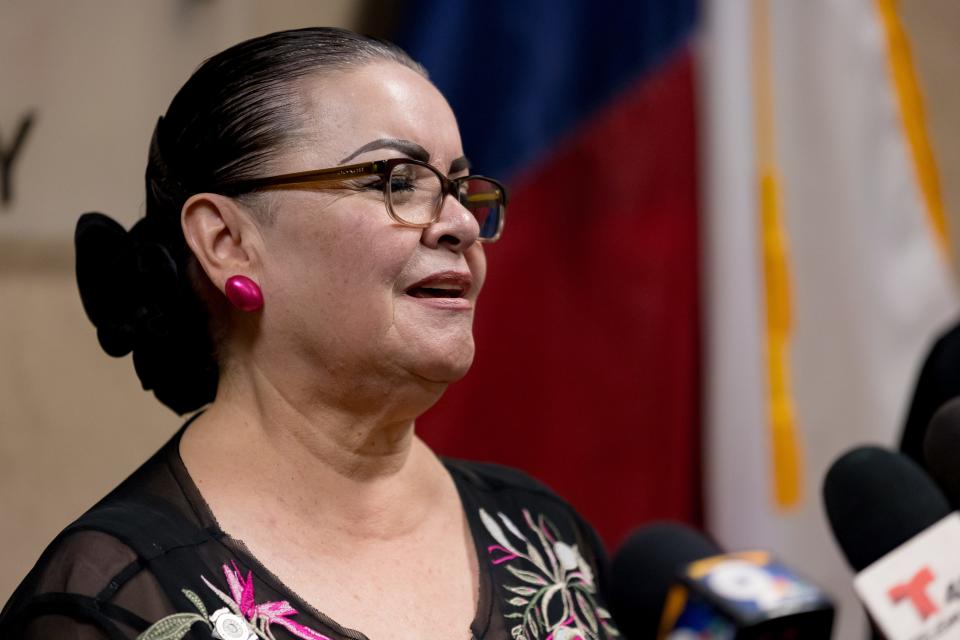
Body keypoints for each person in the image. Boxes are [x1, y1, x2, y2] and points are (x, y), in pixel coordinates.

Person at [0, 28, 620, 640]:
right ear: (228, 243)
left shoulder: (546, 537)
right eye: (396, 181)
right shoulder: (112, 601)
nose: (459, 223)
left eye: (459, 189)